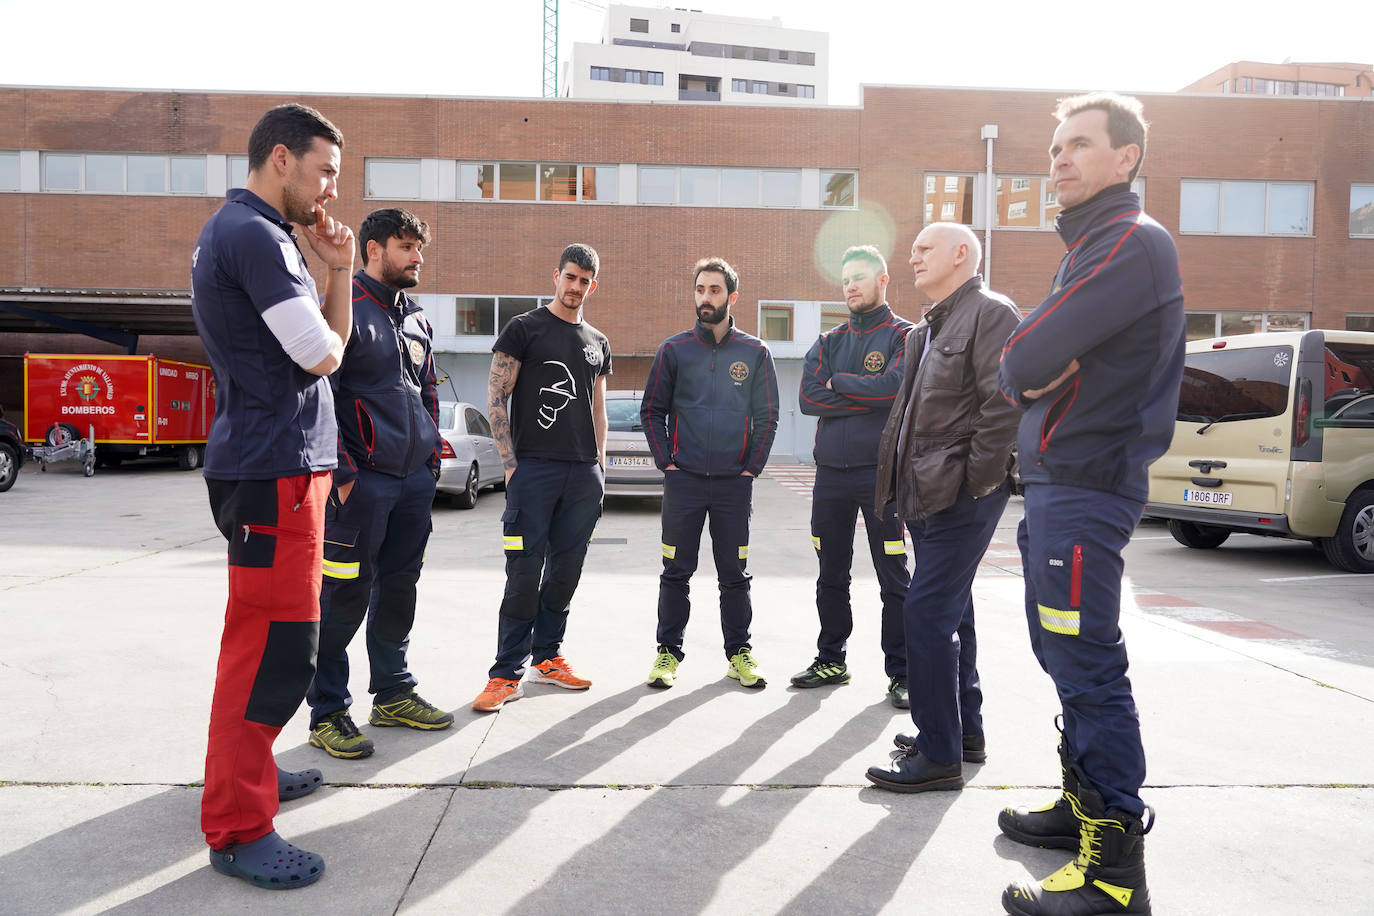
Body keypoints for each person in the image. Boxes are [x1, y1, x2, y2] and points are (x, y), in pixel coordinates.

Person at [997, 92, 1184, 916]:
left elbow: (1025, 355)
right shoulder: (1091, 249)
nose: (1059, 160)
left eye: (1079, 145)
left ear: (1126, 158)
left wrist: (1032, 367)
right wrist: (1033, 369)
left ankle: (1113, 872)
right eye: (1054, 149)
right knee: (1059, 653)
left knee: (1087, 663)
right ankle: (1080, 814)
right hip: (1056, 482)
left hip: (1087, 481)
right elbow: (1032, 364)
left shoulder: (1131, 245)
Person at [190, 103, 353, 890]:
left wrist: (338, 271)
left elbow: (311, 349)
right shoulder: (254, 235)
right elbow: (322, 354)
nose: (329, 191)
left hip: (279, 469)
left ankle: (248, 773)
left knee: (264, 648)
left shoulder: (253, 233)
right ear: (281, 159)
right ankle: (238, 825)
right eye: (324, 170)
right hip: (273, 474)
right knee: (270, 654)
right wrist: (339, 282)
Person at [862, 223, 1021, 795]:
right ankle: (962, 736)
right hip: (926, 496)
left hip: (960, 495)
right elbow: (910, 420)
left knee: (925, 614)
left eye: (923, 249)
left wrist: (972, 484)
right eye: (911, 250)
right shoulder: (923, 332)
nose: (912, 259)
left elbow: (1003, 409)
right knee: (954, 613)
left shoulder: (991, 312)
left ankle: (937, 754)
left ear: (962, 254)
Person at [305, 208, 452, 758]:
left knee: (399, 589)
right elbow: (320, 396)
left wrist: (432, 459)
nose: (417, 258)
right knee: (343, 596)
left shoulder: (416, 319)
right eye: (407, 246)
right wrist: (343, 476)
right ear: (373, 249)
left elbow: (428, 393)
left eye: (420, 248)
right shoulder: (345, 311)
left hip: (413, 482)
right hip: (361, 486)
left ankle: (392, 692)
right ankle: (328, 712)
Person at [471, 243, 611, 712]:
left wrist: (601, 467)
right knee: (524, 573)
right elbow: (496, 399)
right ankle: (505, 673)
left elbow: (598, 408)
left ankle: (547, 658)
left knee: (565, 573)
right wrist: (511, 465)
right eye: (570, 277)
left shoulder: (597, 341)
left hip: (582, 475)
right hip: (534, 471)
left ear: (594, 284)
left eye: (585, 280)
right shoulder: (524, 329)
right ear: (556, 275)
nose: (576, 287)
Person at [641, 257, 779, 689]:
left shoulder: (755, 353)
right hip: (683, 483)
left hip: (732, 487)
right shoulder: (674, 350)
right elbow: (652, 411)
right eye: (700, 289)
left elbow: (768, 416)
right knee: (675, 572)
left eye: (715, 290)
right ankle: (667, 654)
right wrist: (667, 462)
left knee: (734, 575)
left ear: (731, 297)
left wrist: (749, 470)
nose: (706, 297)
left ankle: (739, 654)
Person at [792, 245, 913, 707]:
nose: (851, 287)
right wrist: (867, 394)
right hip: (831, 478)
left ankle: (902, 672)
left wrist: (839, 383)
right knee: (831, 572)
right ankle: (831, 659)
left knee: (894, 576)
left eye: (860, 277)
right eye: (845, 280)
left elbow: (895, 389)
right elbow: (807, 399)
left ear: (883, 279)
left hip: (882, 477)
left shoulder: (904, 336)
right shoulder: (828, 342)